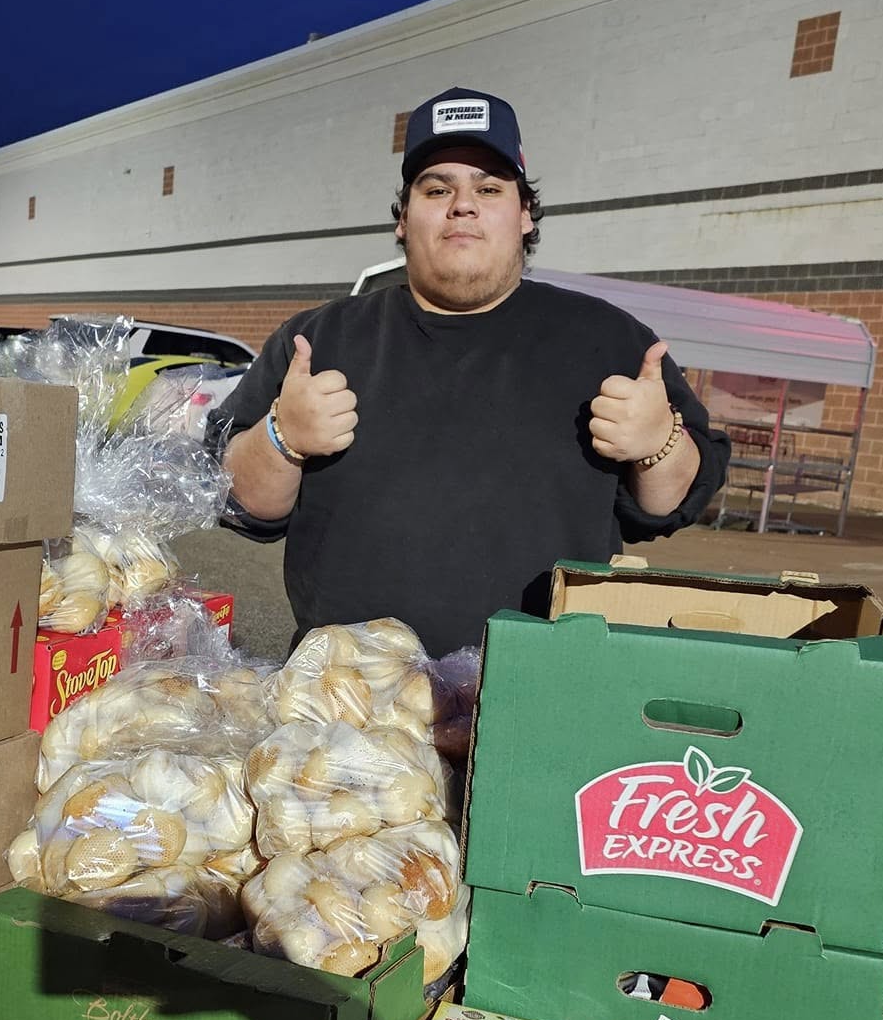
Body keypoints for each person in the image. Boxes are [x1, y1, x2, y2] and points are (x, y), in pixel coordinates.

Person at [209, 87, 729, 658]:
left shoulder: (610, 341)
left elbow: (668, 505)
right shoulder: (319, 341)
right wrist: (283, 437)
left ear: (525, 215)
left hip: (540, 689)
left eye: (488, 188)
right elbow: (242, 503)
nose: (463, 204)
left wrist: (659, 442)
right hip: (348, 698)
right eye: (437, 189)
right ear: (404, 219)